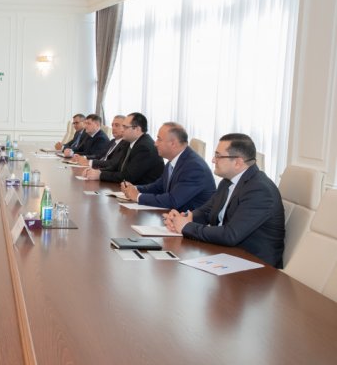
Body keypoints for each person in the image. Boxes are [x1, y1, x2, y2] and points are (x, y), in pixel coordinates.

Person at [164, 133, 285, 268]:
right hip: (228, 254)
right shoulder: (227, 182)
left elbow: (230, 235)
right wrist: (186, 218)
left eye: (218, 156)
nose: (213, 160)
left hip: (256, 266)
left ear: (238, 162)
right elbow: (206, 211)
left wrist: (186, 227)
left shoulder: (259, 190)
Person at [120, 122, 215, 211]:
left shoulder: (194, 167)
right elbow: (159, 186)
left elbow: (173, 200)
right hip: (173, 217)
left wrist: (137, 196)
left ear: (173, 143)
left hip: (192, 223)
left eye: (159, 139)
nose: (155, 143)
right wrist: (134, 188)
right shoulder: (174, 160)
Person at [83, 112, 163, 184]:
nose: (122, 129)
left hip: (141, 193)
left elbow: (128, 176)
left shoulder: (144, 147)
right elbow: (116, 166)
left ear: (137, 129)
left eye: (125, 127)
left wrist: (100, 175)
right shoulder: (129, 142)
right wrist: (97, 171)